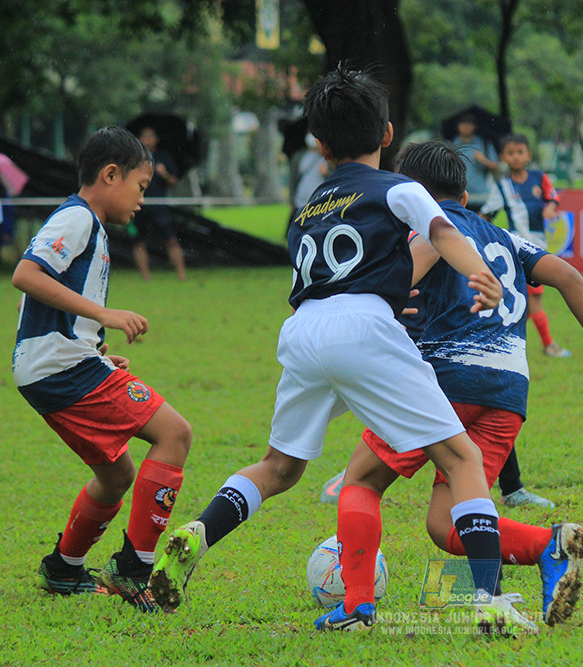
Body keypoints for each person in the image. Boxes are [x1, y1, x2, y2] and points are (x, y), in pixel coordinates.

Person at [147, 66, 534, 634]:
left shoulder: (309, 205)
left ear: (320, 145)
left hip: (302, 332)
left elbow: (335, 275)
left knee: (279, 467)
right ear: (387, 134)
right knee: (463, 459)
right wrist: (483, 275)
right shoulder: (399, 187)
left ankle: (197, 534)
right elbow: (444, 232)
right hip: (363, 328)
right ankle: (488, 606)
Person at [319, 140, 583, 631]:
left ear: (412, 195)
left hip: (445, 381)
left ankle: (357, 607)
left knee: (362, 481)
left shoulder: (431, 233)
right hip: (507, 392)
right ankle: (548, 545)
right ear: (467, 195)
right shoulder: (506, 239)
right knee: (445, 524)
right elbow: (567, 274)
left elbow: (388, 289)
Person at [13, 127, 193, 612]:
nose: (141, 201)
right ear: (109, 175)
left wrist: (94, 347)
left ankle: (63, 568)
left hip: (58, 365)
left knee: (115, 476)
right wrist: (104, 315)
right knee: (175, 434)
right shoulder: (77, 217)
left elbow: (58, 307)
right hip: (59, 369)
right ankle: (134, 570)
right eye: (139, 187)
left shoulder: (85, 223)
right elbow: (26, 274)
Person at [481, 134, 571, 358]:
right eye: (511, 153)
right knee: (532, 298)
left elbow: (552, 197)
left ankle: (501, 343)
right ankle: (548, 345)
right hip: (515, 250)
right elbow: (486, 214)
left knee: (522, 299)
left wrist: (550, 207)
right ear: (503, 158)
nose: (516, 157)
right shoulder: (502, 186)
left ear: (529, 155)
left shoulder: (539, 178)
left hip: (538, 248)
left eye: (520, 152)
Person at [131, 126, 187, 281]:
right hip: (138, 205)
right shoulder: (134, 159)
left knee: (170, 239)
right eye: (144, 136)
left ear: (157, 139)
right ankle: (146, 276)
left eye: (151, 136)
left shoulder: (164, 156)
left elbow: (174, 181)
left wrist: (165, 174)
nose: (148, 140)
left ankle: (181, 274)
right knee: (139, 241)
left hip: (158, 205)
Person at [450, 112, 499, 207]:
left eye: (469, 123)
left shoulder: (484, 144)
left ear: (475, 126)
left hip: (481, 195)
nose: (465, 126)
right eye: (463, 123)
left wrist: (484, 160)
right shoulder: (452, 145)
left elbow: (496, 166)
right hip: (458, 195)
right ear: (458, 126)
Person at [293, 133, 329, 213]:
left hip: (318, 198)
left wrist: (326, 173)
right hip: (301, 198)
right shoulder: (300, 156)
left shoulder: (325, 158)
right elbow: (294, 178)